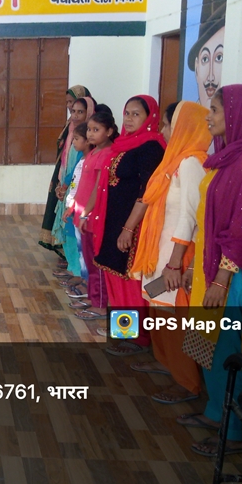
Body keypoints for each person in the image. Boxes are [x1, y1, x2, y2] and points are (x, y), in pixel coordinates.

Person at [177, 85, 242, 457]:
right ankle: (215, 412)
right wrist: (198, 269)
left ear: (240, 116)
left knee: (227, 346)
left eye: (216, 110)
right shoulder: (228, 157)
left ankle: (234, 431)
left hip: (232, 273)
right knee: (209, 341)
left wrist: (221, 278)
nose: (209, 117)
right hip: (212, 265)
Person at [129, 101, 211, 403]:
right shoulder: (173, 162)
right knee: (158, 310)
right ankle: (164, 363)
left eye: (167, 124)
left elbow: (191, 218)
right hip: (159, 253)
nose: (162, 130)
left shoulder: (191, 164)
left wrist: (177, 263)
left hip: (174, 258)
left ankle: (186, 382)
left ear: (182, 127)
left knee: (173, 317)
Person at [90, 96, 166, 355]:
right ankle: (123, 331)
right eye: (127, 113)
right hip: (114, 221)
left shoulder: (151, 147)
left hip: (132, 225)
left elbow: (147, 192)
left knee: (129, 281)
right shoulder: (123, 144)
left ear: (150, 118)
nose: (130, 119)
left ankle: (137, 338)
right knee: (114, 276)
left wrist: (129, 228)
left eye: (136, 114)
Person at [72, 111, 117, 319]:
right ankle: (93, 296)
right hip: (84, 214)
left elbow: (98, 189)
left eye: (96, 130)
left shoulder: (106, 154)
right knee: (89, 260)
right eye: (89, 129)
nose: (90, 134)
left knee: (96, 263)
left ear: (109, 131)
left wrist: (85, 214)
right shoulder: (93, 152)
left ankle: (100, 304)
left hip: (92, 216)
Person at [40, 85, 91, 254]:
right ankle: (68, 257)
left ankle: (76, 263)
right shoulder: (70, 128)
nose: (72, 112)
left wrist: (66, 184)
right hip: (66, 179)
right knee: (66, 220)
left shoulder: (89, 139)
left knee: (75, 227)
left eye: (79, 111)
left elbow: (79, 166)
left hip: (78, 186)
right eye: (69, 105)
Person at [52, 96, 95, 291]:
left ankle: (80, 274)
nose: (75, 115)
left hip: (81, 206)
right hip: (72, 202)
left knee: (80, 242)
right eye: (73, 111)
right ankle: (73, 269)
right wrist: (63, 187)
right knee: (70, 236)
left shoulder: (91, 158)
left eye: (80, 112)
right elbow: (71, 173)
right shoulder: (70, 135)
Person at [60, 121, 93, 288]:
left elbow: (85, 188)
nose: (73, 142)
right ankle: (77, 272)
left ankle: (82, 277)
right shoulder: (81, 160)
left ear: (87, 141)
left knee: (82, 246)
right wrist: (70, 205)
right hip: (74, 207)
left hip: (82, 210)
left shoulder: (90, 160)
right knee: (74, 241)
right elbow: (75, 184)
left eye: (76, 139)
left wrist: (73, 206)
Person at [188, 0, 226, 108]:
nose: (211, 77)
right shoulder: (187, 118)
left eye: (219, 58)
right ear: (196, 67)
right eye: (205, 59)